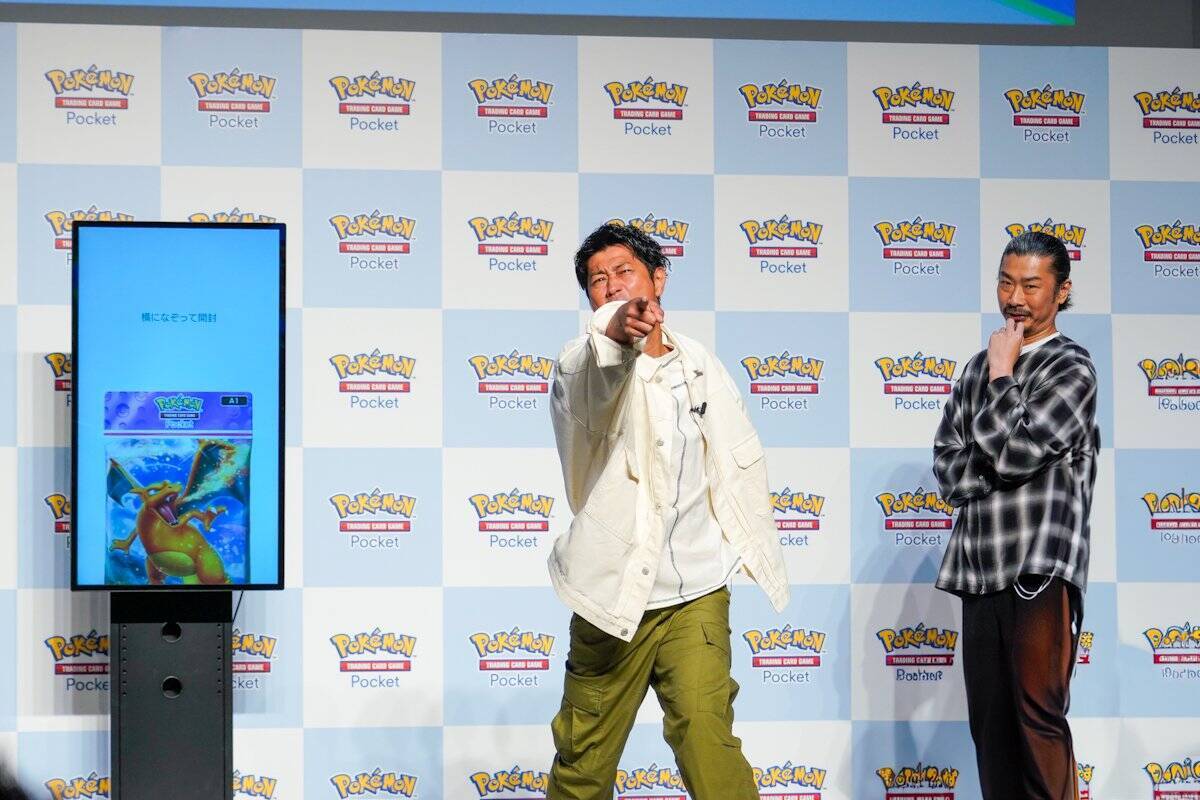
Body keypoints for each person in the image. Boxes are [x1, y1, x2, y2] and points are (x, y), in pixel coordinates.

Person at [545, 222, 789, 800]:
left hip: (698, 592)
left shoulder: (700, 363)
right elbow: (595, 362)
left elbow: (735, 466)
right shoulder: (582, 367)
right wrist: (615, 331)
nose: (611, 286)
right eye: (596, 281)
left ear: (658, 279)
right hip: (613, 599)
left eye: (623, 272)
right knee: (584, 763)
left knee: (709, 742)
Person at [933, 230, 1099, 800]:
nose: (1015, 298)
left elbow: (1018, 452)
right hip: (980, 569)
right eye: (1006, 282)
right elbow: (949, 469)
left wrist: (1003, 377)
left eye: (1031, 285)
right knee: (991, 729)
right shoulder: (973, 369)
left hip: (1039, 568)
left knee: (1037, 719)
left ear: (1061, 291)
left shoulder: (1071, 367)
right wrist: (999, 460)